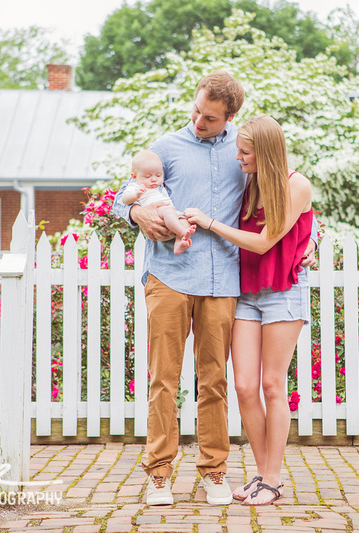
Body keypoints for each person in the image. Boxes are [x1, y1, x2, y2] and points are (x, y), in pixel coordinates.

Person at [113, 71, 317, 507]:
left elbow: (283, 199)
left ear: (230, 116)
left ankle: (214, 473)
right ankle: (159, 475)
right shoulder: (167, 148)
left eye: (209, 117)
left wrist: (311, 239)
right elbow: (124, 196)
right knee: (163, 379)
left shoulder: (245, 154)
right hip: (169, 275)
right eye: (197, 111)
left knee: (216, 381)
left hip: (225, 282)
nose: (198, 121)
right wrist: (135, 217)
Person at [184, 114, 313, 506]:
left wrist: (207, 223)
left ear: (266, 153)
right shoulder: (249, 182)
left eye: (244, 152)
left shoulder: (297, 185)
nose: (238, 157)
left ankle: (273, 478)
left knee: (272, 385)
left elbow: (262, 243)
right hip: (246, 292)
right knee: (243, 386)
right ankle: (261, 474)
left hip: (283, 292)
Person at [120, 150, 196, 255]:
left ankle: (179, 242)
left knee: (185, 220)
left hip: (170, 215)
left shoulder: (159, 187)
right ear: (134, 177)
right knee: (167, 211)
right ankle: (182, 232)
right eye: (148, 176)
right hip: (156, 215)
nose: (154, 179)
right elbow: (124, 199)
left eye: (159, 175)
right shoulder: (135, 186)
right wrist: (136, 195)